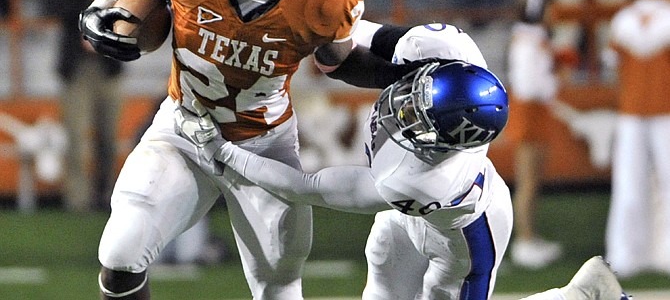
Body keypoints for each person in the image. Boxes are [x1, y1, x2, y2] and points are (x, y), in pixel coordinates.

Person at [78, 0, 428, 299]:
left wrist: (401, 72)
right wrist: (103, 6)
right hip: (183, 129)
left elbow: (338, 63)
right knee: (119, 255)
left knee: (276, 283)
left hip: (263, 145)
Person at [174, 24, 629, 300]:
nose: (403, 105)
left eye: (418, 115)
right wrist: (308, 21)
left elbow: (305, 185)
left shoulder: (418, 179)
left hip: (465, 242)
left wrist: (223, 152)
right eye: (418, 95)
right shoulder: (457, 51)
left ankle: (581, 294)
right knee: (383, 259)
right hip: (419, 216)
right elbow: (360, 29)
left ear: (440, 144)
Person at [48, 0, 125, 212]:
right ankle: (77, 200)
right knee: (76, 137)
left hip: (107, 68)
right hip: (76, 70)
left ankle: (107, 195)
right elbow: (62, 11)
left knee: (108, 137)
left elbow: (123, 13)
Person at [604, 0, 670, 277]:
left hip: (630, 111)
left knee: (628, 185)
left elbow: (610, 62)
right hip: (666, 111)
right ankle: (663, 254)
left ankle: (624, 256)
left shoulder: (623, 20)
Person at [506, 0, 563, 269]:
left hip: (533, 112)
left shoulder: (531, 38)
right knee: (528, 182)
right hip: (530, 112)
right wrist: (552, 84)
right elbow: (529, 85)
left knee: (533, 180)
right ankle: (524, 241)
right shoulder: (529, 41)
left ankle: (530, 237)